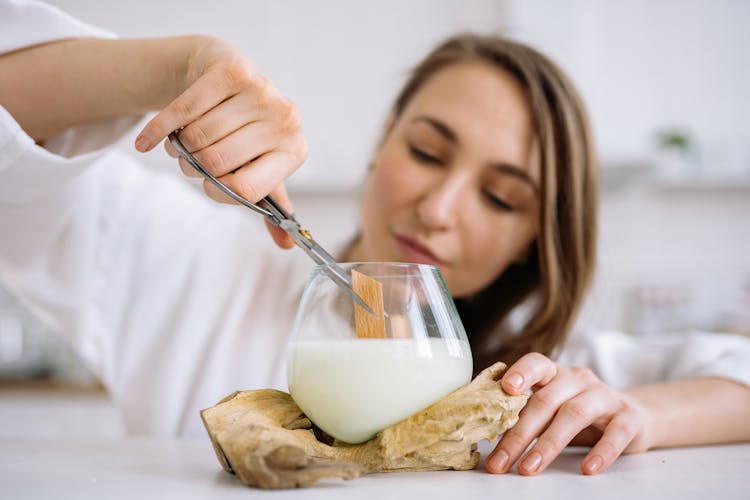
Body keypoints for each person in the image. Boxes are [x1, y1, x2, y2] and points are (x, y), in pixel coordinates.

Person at [1, 0, 749, 477]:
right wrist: (169, 69)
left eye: (500, 196)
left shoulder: (542, 382)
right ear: (382, 142)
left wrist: (644, 416)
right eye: (426, 152)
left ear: (533, 239)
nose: (440, 207)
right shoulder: (194, 266)